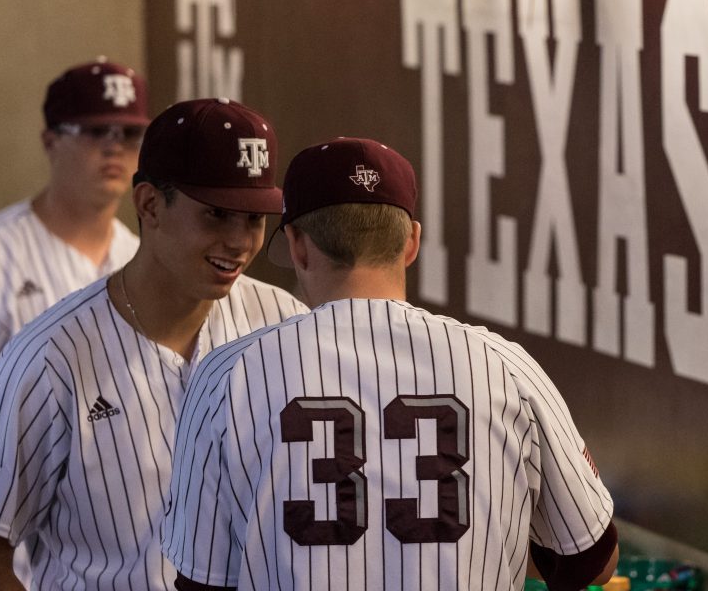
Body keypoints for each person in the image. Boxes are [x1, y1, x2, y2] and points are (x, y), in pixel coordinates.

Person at [162, 137, 618, 591]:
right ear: (412, 242)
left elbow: (204, 582)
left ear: (298, 246)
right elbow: (592, 561)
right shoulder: (505, 367)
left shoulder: (227, 376)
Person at [0, 98, 308, 591]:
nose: (240, 241)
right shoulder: (48, 358)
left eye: (253, 218)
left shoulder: (286, 325)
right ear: (149, 205)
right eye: (217, 215)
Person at [0, 58, 148, 468]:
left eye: (131, 133)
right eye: (95, 130)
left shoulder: (144, 258)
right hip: (13, 523)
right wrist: (42, 457)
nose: (114, 146)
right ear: (50, 141)